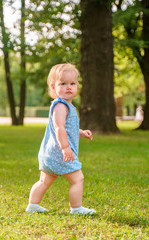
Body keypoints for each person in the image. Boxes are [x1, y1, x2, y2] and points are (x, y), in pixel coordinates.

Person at [26, 63, 96, 215]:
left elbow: (67, 128)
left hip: (50, 154)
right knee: (78, 179)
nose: (68, 87)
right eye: (63, 83)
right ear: (53, 87)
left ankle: (33, 205)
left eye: (72, 83)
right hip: (60, 154)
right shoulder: (60, 106)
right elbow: (59, 128)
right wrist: (65, 147)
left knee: (44, 181)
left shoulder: (65, 106)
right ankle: (76, 208)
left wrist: (81, 132)